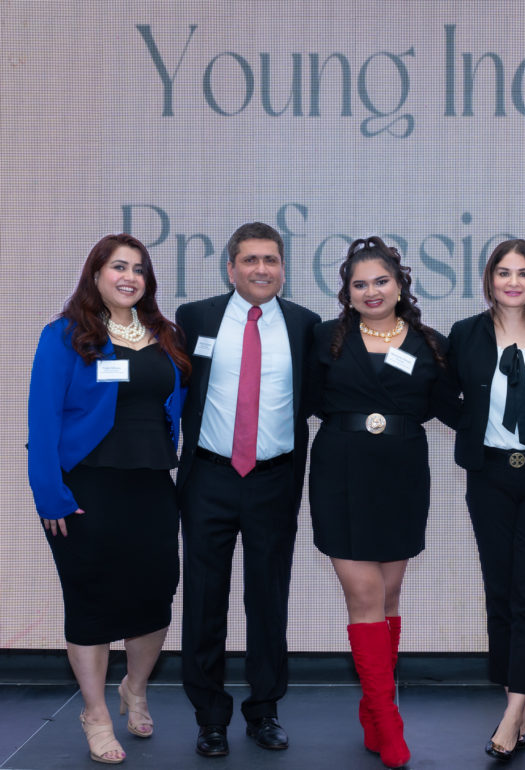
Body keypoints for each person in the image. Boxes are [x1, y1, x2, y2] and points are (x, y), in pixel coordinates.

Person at [27, 233, 189, 764]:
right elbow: (43, 419)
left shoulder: (166, 335)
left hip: (152, 485)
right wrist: (49, 495)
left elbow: (179, 405)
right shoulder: (65, 336)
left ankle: (134, 690)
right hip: (85, 490)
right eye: (119, 267)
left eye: (139, 269)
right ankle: (95, 714)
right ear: (95, 274)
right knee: (91, 601)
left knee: (155, 595)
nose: (129, 277)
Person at [309, 237, 458, 769]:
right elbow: (304, 399)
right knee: (366, 594)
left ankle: (373, 709)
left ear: (400, 285)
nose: (371, 291)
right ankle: (390, 719)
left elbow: (446, 408)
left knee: (389, 596)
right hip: (339, 473)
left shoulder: (431, 343)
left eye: (381, 281)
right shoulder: (325, 338)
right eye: (359, 284)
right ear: (347, 293)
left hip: (402, 475)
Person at [176, 221, 320, 758]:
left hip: (274, 481)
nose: (262, 269)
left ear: (283, 268)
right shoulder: (196, 318)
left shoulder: (305, 325)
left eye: (271, 260)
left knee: (268, 599)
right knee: (204, 599)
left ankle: (264, 711)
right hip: (209, 478)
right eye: (251, 260)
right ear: (230, 268)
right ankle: (210, 717)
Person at [447, 238, 525, 762]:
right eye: (504, 272)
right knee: (499, 592)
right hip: (491, 477)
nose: (514, 282)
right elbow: (441, 395)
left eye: (524, 272)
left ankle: (512, 709)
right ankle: (517, 704)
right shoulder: (466, 335)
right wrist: (473, 428)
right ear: (490, 279)